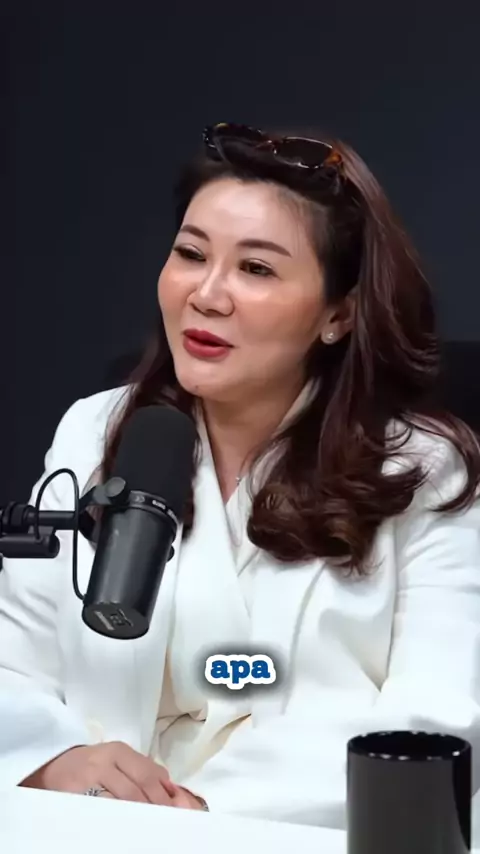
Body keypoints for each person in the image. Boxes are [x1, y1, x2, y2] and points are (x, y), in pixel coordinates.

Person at [1, 122, 480, 829]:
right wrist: (53, 757)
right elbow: (14, 659)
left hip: (296, 828)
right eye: (191, 254)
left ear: (338, 314)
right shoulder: (96, 432)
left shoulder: (422, 472)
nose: (207, 294)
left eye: (256, 269)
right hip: (97, 825)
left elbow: (434, 717)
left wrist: (200, 815)